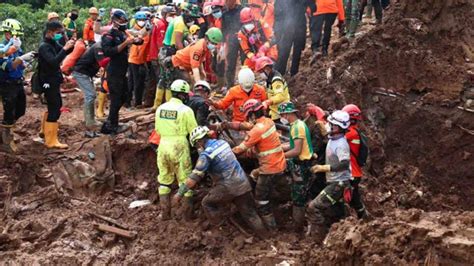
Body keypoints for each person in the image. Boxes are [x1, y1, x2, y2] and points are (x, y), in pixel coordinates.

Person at [173, 126, 268, 238]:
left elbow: (194, 177)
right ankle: (267, 237)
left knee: (207, 203)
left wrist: (180, 193)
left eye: (197, 145)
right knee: (250, 214)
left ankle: (222, 231)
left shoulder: (206, 155)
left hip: (228, 187)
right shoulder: (223, 143)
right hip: (243, 182)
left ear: (198, 142)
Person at [232, 99, 287, 230]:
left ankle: (271, 229)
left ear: (251, 114)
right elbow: (255, 132)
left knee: (261, 199)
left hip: (269, 169)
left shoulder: (256, 131)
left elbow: (240, 149)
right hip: (279, 163)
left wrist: (226, 152)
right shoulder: (269, 122)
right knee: (254, 175)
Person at [155, 79, 198, 221]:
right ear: (182, 95)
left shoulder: (161, 108)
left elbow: (157, 129)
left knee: (164, 180)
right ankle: (187, 215)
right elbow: (194, 132)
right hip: (179, 145)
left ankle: (165, 214)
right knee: (185, 181)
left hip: (163, 146)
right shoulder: (186, 110)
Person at [308, 110, 352, 242]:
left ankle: (318, 241)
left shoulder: (341, 145)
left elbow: (344, 164)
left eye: (332, 125)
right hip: (335, 182)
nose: (329, 126)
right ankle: (335, 239)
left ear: (338, 128)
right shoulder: (334, 139)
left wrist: (324, 168)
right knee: (337, 214)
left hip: (339, 184)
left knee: (314, 207)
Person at [100, 9, 139, 135]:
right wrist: (125, 44)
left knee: (125, 96)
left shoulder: (123, 33)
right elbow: (108, 52)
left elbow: (136, 40)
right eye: (122, 21)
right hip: (114, 72)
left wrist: (136, 41)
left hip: (123, 71)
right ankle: (112, 125)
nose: (124, 23)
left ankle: (110, 121)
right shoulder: (109, 35)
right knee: (116, 99)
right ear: (115, 21)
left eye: (125, 21)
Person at [38, 21, 76, 149]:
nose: (60, 35)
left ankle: (44, 131)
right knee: (55, 107)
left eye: (62, 32)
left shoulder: (53, 43)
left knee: (53, 105)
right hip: (47, 81)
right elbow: (54, 62)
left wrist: (70, 43)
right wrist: (65, 49)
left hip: (53, 80)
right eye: (58, 33)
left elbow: (65, 52)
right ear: (49, 32)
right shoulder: (44, 47)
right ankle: (51, 140)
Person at [278, 102, 314, 231]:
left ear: (288, 114)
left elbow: (296, 150)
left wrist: (280, 157)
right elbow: (293, 145)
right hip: (301, 163)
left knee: (299, 195)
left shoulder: (297, 127)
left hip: (302, 165)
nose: (282, 117)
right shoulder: (296, 125)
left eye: (283, 115)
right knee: (300, 193)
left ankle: (298, 226)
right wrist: (279, 148)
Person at [0, 19, 34, 152]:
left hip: (18, 82)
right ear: (7, 33)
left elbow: (19, 62)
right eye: (15, 35)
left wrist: (25, 62)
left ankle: (6, 130)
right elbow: (9, 66)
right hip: (6, 84)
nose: (17, 38)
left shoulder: (16, 47)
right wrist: (21, 59)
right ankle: (6, 141)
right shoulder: (2, 49)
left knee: (20, 110)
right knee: (9, 112)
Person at [72, 42, 109, 133]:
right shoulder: (98, 47)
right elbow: (102, 62)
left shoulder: (100, 46)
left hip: (85, 73)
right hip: (81, 73)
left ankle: (91, 119)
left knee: (90, 95)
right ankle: (90, 121)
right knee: (90, 95)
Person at [145, 5, 176, 108]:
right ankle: (163, 104)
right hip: (159, 56)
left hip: (155, 55)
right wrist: (163, 57)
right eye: (170, 14)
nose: (173, 16)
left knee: (157, 79)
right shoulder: (162, 25)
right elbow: (160, 44)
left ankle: (153, 103)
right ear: (164, 15)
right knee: (164, 79)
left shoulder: (159, 23)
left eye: (174, 14)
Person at [342, 104, 369, 219]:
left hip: (352, 173)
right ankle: (364, 218)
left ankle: (362, 219)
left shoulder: (351, 133)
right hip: (354, 172)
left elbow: (333, 137)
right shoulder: (353, 132)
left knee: (350, 198)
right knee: (355, 198)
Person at [274, 0, 307, 76]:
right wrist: (279, 31)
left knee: (296, 51)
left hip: (299, 26)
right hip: (288, 27)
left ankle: (293, 73)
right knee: (284, 51)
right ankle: (280, 73)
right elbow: (277, 15)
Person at [128, 11, 151, 108]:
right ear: (136, 20)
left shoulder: (144, 30)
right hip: (135, 59)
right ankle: (136, 102)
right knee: (136, 82)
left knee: (136, 81)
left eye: (143, 20)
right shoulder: (134, 31)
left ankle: (131, 101)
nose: (142, 21)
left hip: (139, 59)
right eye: (140, 20)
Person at [254, 56, 289, 122]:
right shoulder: (269, 79)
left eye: (260, 72)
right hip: (275, 111)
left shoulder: (276, 79)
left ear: (267, 68)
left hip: (282, 112)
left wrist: (267, 102)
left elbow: (280, 96)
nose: (260, 74)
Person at [221, 0, 243, 87]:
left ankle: (246, 81)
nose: (226, 3)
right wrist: (223, 44)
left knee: (246, 61)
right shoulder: (225, 14)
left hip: (243, 39)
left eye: (228, 1)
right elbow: (223, 30)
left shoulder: (242, 10)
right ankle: (230, 85)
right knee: (230, 63)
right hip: (231, 41)